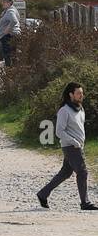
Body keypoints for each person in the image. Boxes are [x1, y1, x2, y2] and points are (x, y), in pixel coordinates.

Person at [37, 82, 97, 211]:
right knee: (82, 172)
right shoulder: (64, 111)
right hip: (71, 147)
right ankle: (85, 203)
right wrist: (74, 142)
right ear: (71, 94)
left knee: (65, 173)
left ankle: (43, 194)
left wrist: (80, 143)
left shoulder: (80, 109)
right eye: (78, 93)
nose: (81, 95)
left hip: (78, 146)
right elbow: (59, 131)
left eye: (82, 93)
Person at [0, 0, 22, 66]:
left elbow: (14, 21)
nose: (2, 3)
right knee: (13, 54)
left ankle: (9, 71)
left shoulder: (10, 11)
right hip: (10, 35)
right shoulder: (8, 11)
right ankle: (13, 70)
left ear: (9, 3)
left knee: (8, 54)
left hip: (9, 36)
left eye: (4, 2)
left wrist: (7, 29)